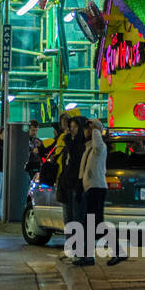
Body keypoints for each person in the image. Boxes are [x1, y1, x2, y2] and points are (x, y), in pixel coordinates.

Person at [77, 118, 122, 266]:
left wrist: (96, 128)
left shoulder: (99, 147)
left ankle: (94, 255)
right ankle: (90, 256)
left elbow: (97, 142)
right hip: (91, 189)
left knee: (94, 224)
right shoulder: (89, 149)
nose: (85, 131)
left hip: (96, 189)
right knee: (92, 224)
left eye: (89, 128)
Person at [56, 113, 86, 256]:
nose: (72, 129)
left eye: (75, 127)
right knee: (68, 219)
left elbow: (76, 161)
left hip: (77, 186)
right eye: (71, 126)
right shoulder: (68, 143)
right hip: (66, 185)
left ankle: (77, 250)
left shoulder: (81, 145)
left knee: (76, 219)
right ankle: (70, 249)